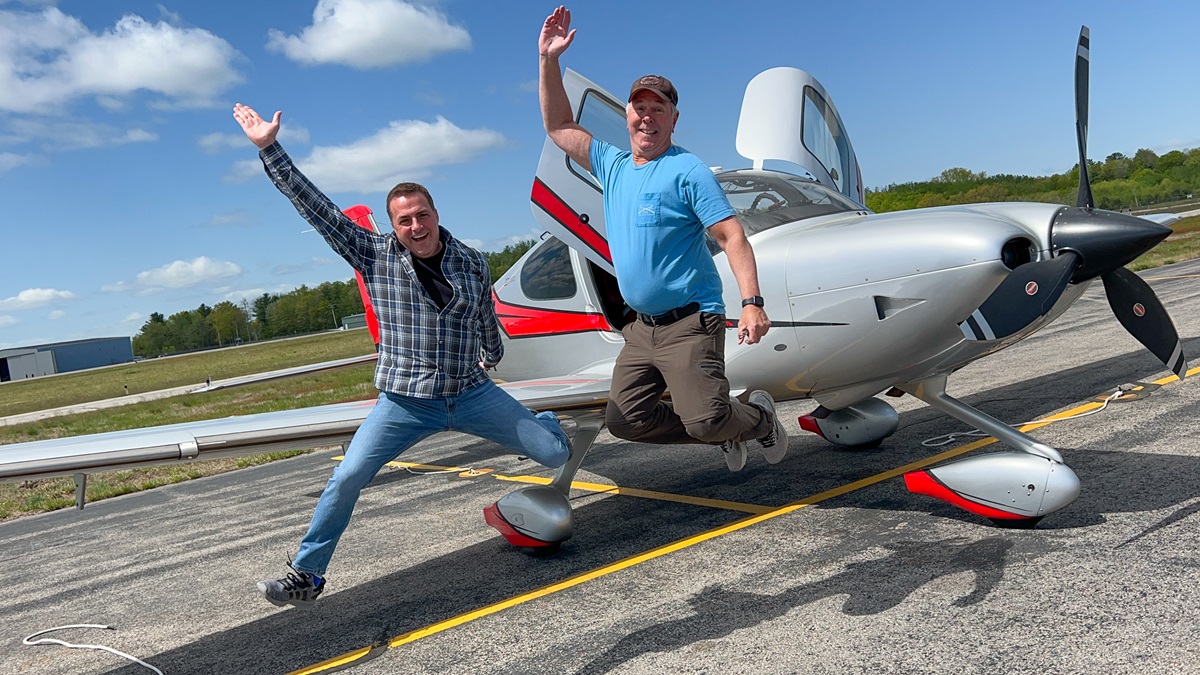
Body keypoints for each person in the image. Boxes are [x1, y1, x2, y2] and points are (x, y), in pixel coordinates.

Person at [233, 103, 571, 609]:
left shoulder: (472, 261)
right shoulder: (375, 256)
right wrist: (270, 149)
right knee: (347, 476)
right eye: (404, 220)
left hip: (471, 392)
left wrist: (494, 356)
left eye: (422, 215)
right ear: (394, 226)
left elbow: (483, 317)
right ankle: (308, 573)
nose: (416, 226)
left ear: (436, 214)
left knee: (555, 453)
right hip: (405, 402)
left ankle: (542, 422)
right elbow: (317, 209)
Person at [536, 6, 788, 473]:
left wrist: (752, 301)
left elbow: (733, 235)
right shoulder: (611, 165)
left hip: (691, 322)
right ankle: (722, 425)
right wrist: (548, 60)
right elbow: (558, 128)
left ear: (674, 118)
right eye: (640, 107)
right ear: (627, 114)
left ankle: (753, 420)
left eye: (658, 108)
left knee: (707, 421)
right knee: (627, 422)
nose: (647, 117)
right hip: (640, 327)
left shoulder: (687, 170)